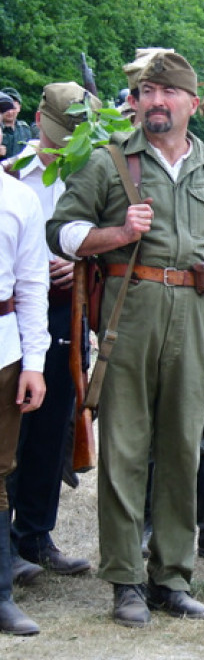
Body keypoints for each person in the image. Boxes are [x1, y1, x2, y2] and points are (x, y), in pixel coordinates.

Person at [46, 51, 204, 626]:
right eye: (146, 92)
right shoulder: (107, 162)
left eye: (168, 92)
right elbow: (61, 233)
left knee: (183, 450)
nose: (156, 102)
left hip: (193, 314)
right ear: (135, 103)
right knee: (124, 449)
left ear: (192, 102)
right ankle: (125, 582)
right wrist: (117, 231)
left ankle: (172, 577)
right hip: (128, 313)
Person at [6, 84, 96, 588]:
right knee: (10, 427)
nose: (64, 144)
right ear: (38, 118)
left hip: (68, 308)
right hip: (14, 312)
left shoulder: (94, 168)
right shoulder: (13, 173)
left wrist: (81, 261)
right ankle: (7, 542)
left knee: (53, 426)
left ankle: (36, 535)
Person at [1, 159, 48, 636]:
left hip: (3, 349)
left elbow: (32, 284)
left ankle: (0, 594)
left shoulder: (18, 199)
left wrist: (33, 363)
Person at [1, 87, 37, 160]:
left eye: (13, 107)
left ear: (19, 108)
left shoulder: (26, 129)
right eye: (6, 108)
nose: (10, 112)